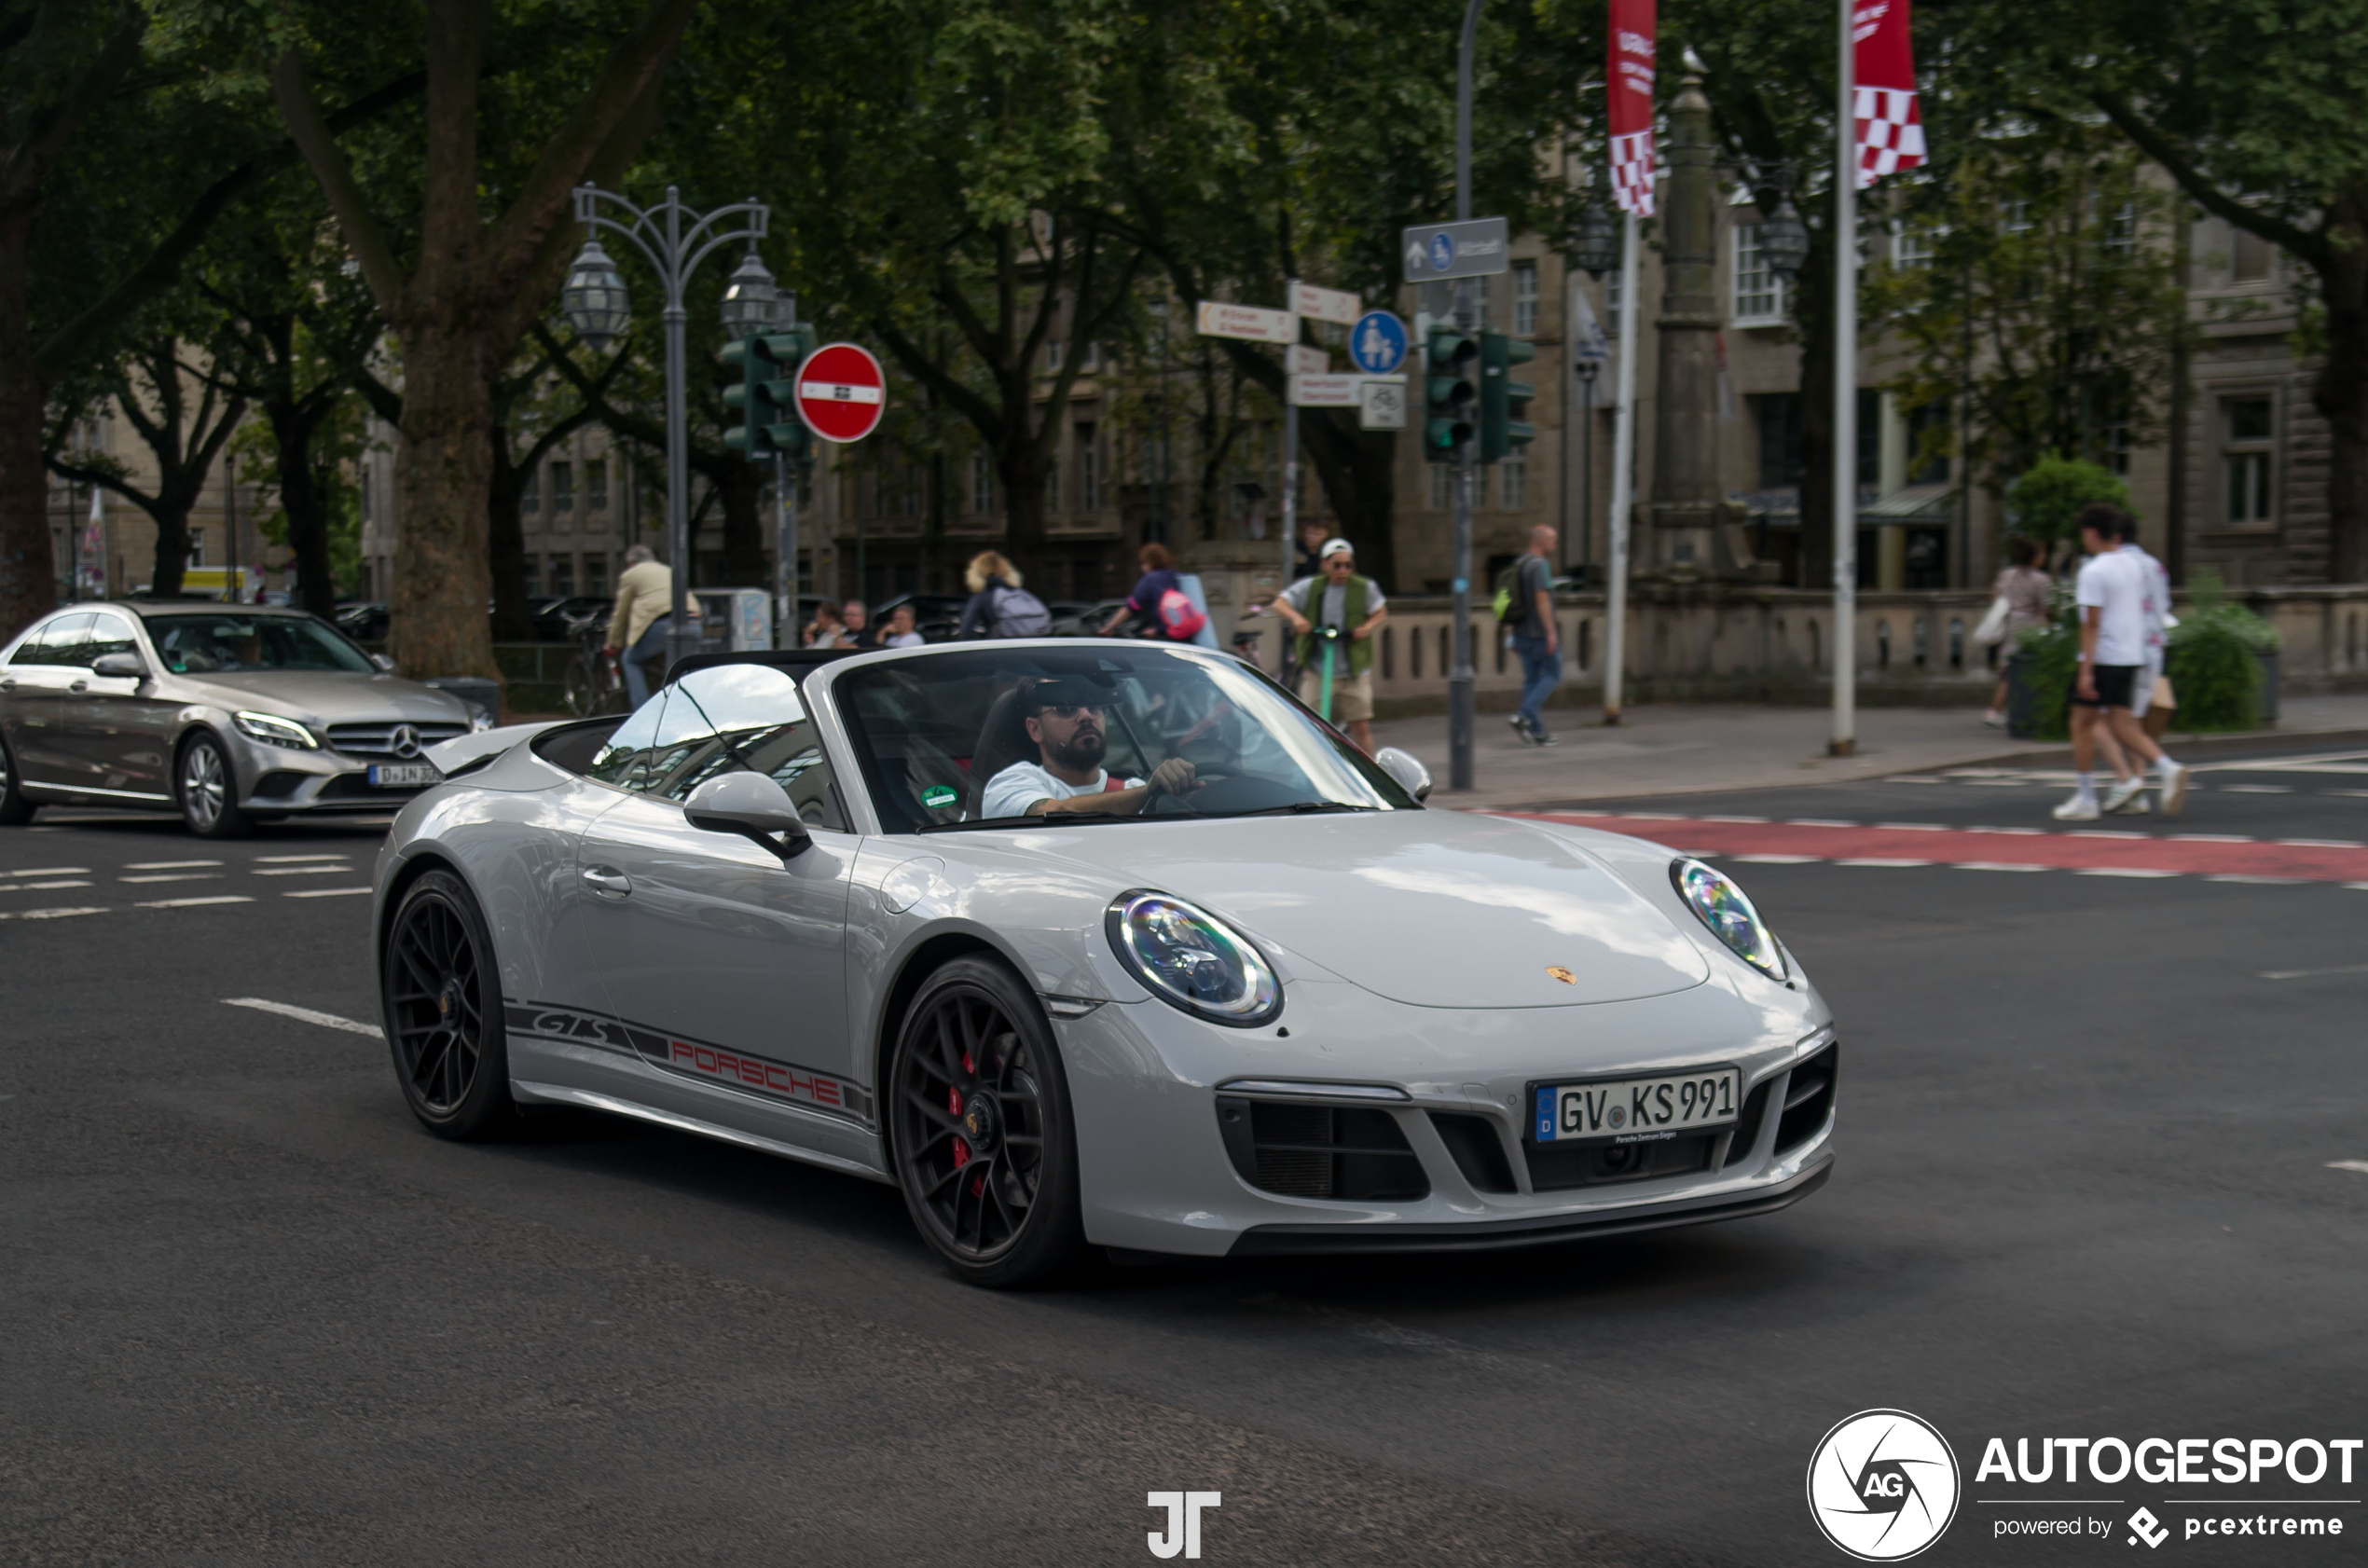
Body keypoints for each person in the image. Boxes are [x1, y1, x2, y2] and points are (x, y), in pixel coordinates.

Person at [2055, 503, 2188, 821]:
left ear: (2090, 533)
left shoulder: (2094, 570)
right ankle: (2165, 769)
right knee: (2123, 722)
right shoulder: (2136, 566)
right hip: (2132, 656)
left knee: (2081, 722)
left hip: (2104, 655)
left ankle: (2087, 796)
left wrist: (2085, 669)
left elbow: (2091, 623)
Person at [979, 678, 1201, 818]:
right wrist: (1146, 793)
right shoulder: (1010, 784)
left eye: (1094, 707)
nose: (1086, 716)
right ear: (1035, 729)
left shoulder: (1135, 789)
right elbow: (1053, 814)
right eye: (1066, 709)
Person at [1272, 538, 1387, 754]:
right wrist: (1297, 619)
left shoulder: (1364, 587)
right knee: (1311, 723)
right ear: (1324, 564)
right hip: (1318, 667)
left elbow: (1381, 611)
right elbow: (1280, 603)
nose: (1343, 570)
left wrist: (1367, 627)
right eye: (1337, 565)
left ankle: (1373, 775)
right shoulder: (1311, 586)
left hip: (1353, 669)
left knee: (1360, 725)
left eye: (1348, 565)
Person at [1504, 524, 1563, 746]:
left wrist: (1511, 634)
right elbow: (1541, 599)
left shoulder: (1519, 563)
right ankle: (1524, 714)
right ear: (1541, 541)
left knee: (1532, 680)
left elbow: (1512, 601)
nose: (1554, 545)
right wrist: (1551, 633)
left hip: (1521, 632)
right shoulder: (1539, 565)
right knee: (1552, 674)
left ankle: (1537, 731)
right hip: (1538, 633)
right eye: (1552, 540)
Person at [1983, 537, 2051, 727]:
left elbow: (1995, 595)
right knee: (2015, 669)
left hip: (2009, 620)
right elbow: (2046, 607)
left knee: (2008, 666)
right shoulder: (2041, 579)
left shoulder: (2007, 574)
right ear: (2034, 557)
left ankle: (2005, 710)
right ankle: (1994, 710)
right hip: (2028, 623)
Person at [605, 544, 681, 708]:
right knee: (677, 669)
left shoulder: (631, 575)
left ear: (631, 562)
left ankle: (641, 711)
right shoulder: (668, 570)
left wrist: (614, 643)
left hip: (665, 624)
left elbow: (621, 612)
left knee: (630, 659)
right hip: (694, 622)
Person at [1102, 542, 1188, 640]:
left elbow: (1131, 608)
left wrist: (1108, 628)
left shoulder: (1150, 580)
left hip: (1166, 638)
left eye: (1142, 563)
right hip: (1185, 633)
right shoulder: (1175, 576)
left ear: (1148, 563)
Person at [955, 551, 1050, 639]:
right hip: (1028, 647)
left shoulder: (982, 597)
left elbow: (966, 630)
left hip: (999, 649)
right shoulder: (1020, 593)